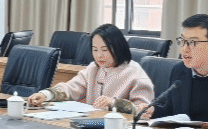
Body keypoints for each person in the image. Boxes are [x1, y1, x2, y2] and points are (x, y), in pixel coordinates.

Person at [26, 23, 154, 114]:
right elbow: (71, 88)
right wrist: (45, 95)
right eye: (95, 49)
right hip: (93, 123)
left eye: (104, 50)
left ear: (118, 48)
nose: (99, 55)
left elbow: (144, 109)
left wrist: (113, 103)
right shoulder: (94, 68)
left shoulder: (134, 72)